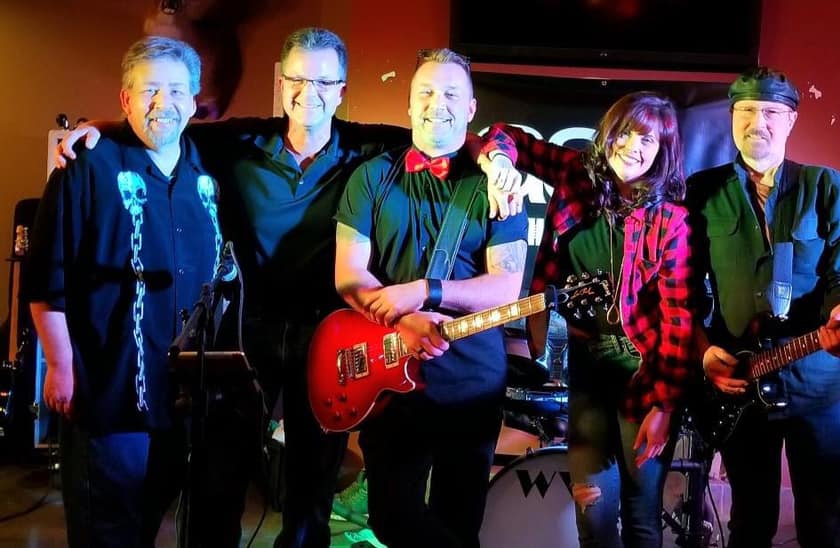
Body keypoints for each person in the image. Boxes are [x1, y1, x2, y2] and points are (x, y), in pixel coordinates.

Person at [55, 28, 519, 547]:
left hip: (329, 338)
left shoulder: (368, 149)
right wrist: (97, 128)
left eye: (323, 81)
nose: (307, 92)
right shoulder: (241, 141)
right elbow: (168, 123)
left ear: (341, 90)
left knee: (309, 493)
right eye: (296, 79)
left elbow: (451, 132)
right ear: (280, 83)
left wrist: (497, 157)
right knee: (217, 481)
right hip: (244, 337)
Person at [23, 36, 220, 547]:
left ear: (193, 101)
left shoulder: (208, 172)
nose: (163, 102)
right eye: (149, 89)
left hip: (181, 400)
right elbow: (45, 277)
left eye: (176, 90)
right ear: (125, 99)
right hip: (107, 392)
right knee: (106, 530)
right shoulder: (85, 168)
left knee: (150, 519)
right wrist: (60, 364)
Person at [481, 91, 695, 548]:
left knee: (641, 516)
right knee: (592, 513)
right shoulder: (575, 174)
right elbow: (504, 134)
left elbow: (679, 321)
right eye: (626, 133)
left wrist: (664, 406)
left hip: (645, 372)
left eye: (648, 141)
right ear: (609, 133)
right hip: (588, 366)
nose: (633, 147)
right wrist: (498, 163)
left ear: (662, 152)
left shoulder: (670, 220)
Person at [334, 48, 528, 548]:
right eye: (425, 91)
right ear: (408, 102)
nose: (435, 103)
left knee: (459, 520)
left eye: (450, 94)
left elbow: (506, 288)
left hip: (471, 384)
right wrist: (401, 320)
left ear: (471, 109)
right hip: (390, 377)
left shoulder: (499, 187)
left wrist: (426, 291)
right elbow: (349, 274)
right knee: (390, 518)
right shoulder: (371, 176)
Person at [685, 67, 840, 548]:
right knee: (749, 525)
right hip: (741, 384)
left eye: (771, 112)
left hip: (817, 384)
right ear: (732, 118)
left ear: (791, 121)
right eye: (746, 111)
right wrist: (704, 353)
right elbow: (682, 291)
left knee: (823, 526)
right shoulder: (700, 192)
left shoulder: (829, 187)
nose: (757, 123)